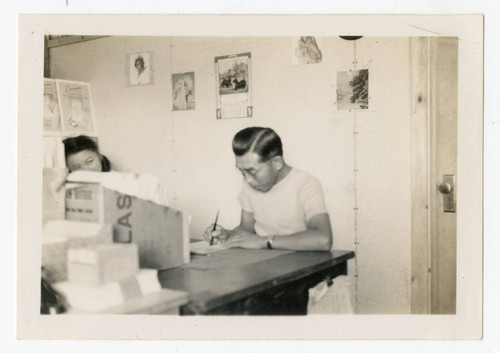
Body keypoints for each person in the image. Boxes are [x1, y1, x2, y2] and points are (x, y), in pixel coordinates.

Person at [203, 127, 332, 252]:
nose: (247, 180)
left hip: (300, 262)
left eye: (251, 171)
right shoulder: (250, 183)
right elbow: (246, 228)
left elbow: (323, 239)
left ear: (277, 163)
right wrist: (228, 235)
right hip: (263, 260)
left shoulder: (305, 184)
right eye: (242, 172)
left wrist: (264, 241)